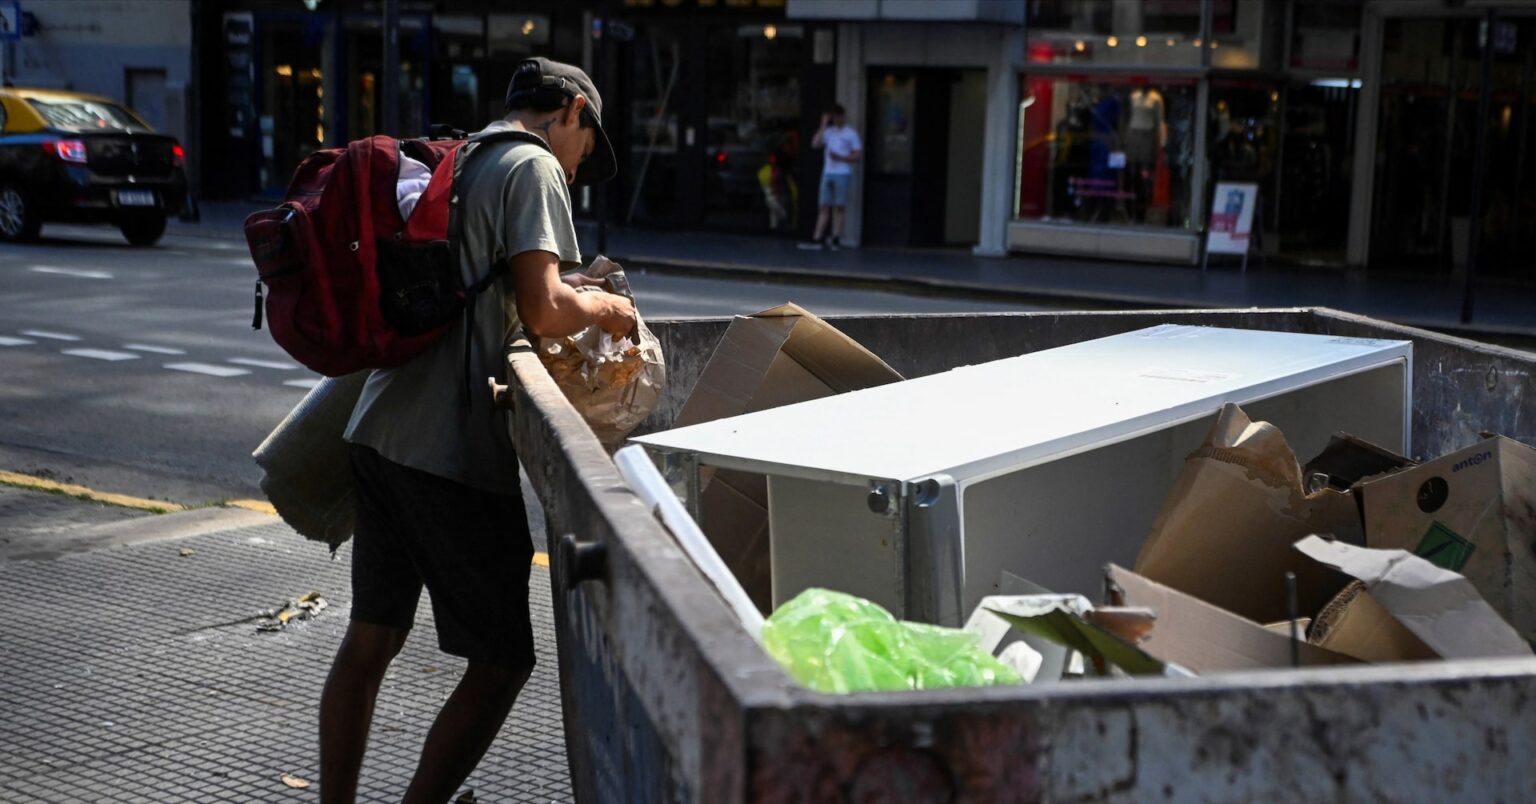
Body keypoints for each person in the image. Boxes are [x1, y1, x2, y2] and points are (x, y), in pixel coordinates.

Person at [318, 57, 633, 804]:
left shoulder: (466, 154)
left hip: (380, 427)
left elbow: (493, 282)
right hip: (448, 448)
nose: (583, 159)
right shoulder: (534, 166)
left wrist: (566, 287)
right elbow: (548, 309)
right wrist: (612, 312)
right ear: (570, 113)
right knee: (502, 661)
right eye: (587, 140)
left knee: (370, 639)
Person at [799, 104, 862, 251]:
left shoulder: (850, 134)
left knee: (839, 206)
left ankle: (836, 237)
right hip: (828, 172)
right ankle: (817, 238)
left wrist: (840, 157)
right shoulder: (828, 132)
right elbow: (815, 143)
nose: (835, 120)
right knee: (824, 206)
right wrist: (823, 125)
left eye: (836, 117)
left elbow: (858, 155)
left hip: (842, 172)